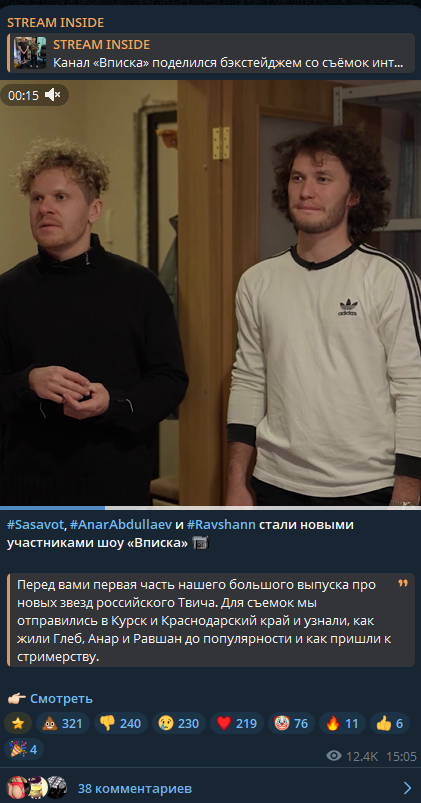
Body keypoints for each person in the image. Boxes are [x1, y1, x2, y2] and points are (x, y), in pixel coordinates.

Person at [226, 126, 421, 507]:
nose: (306, 191)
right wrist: (236, 481)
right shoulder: (257, 281)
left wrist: (408, 495)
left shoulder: (388, 279)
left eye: (323, 179)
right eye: (297, 178)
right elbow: (249, 379)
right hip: (275, 484)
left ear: (354, 195)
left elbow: (415, 389)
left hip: (367, 488)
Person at [0, 139, 188, 504]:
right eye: (37, 198)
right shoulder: (8, 290)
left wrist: (112, 403)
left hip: (117, 486)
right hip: (27, 489)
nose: (45, 208)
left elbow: (170, 380)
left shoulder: (139, 286)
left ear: (94, 209)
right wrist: (29, 382)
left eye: (61, 197)